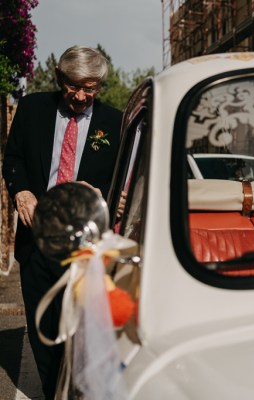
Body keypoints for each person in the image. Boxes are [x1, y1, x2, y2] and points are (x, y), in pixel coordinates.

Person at [2, 45, 122, 398]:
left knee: (85, 326)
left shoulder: (114, 122)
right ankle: (56, 390)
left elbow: (126, 179)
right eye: (75, 87)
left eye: (91, 88)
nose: (82, 96)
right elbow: (14, 157)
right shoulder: (32, 109)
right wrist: (21, 191)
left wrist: (102, 193)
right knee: (44, 327)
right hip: (38, 236)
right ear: (59, 78)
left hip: (88, 242)